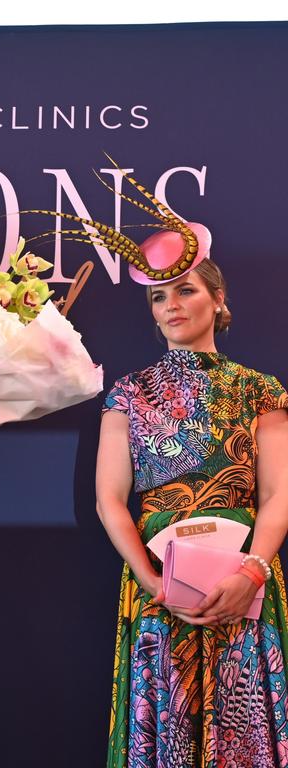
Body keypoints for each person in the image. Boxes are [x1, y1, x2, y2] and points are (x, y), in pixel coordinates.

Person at [96, 221, 288, 766]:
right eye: (159, 296)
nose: (171, 305)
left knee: (243, 721)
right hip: (159, 586)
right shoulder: (128, 395)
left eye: (186, 290)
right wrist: (149, 578)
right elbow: (110, 499)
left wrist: (252, 571)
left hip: (244, 582)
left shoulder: (260, 388)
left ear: (217, 299)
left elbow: (278, 495)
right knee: (169, 727)